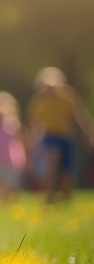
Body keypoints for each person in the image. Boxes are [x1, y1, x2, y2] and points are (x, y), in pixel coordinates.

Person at [26, 67, 94, 204]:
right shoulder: (39, 101)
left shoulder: (68, 96)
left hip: (67, 136)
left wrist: (88, 131)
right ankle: (49, 196)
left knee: (67, 170)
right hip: (50, 136)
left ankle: (66, 198)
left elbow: (79, 115)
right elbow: (31, 121)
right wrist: (30, 141)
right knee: (52, 159)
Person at [0, 91, 28, 203]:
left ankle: (12, 203)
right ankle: (0, 204)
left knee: (11, 183)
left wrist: (24, 157)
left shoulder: (13, 124)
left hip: (12, 161)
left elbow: (21, 141)